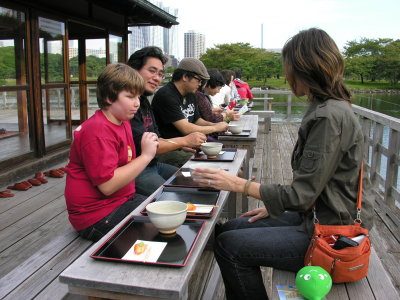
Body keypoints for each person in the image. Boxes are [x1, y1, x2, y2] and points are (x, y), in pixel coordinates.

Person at [192, 28, 374, 299]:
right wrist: (275, 207)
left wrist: (237, 184)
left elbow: (301, 195)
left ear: (305, 69)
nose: (287, 75)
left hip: (329, 233)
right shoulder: (331, 107)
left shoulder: (328, 117)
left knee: (229, 245)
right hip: (314, 215)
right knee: (231, 228)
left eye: (288, 67)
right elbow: (313, 184)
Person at [65, 63, 159, 242]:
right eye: (130, 96)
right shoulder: (98, 131)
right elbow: (107, 186)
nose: (137, 103)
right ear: (109, 97)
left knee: (169, 212)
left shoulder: (122, 122)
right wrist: (146, 156)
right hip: (96, 215)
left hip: (121, 201)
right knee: (159, 231)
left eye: (138, 96)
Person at [127, 47, 206, 196]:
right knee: (173, 197)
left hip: (154, 164)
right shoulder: (128, 106)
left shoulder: (143, 101)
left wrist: (182, 143)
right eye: (152, 71)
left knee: (198, 181)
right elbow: (147, 147)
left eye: (160, 74)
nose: (157, 78)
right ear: (133, 70)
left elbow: (156, 138)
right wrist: (184, 141)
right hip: (137, 170)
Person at [151, 58, 229, 167]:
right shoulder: (166, 95)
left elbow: (197, 120)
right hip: (170, 148)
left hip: (188, 145)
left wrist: (215, 124)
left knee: (223, 157)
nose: (201, 84)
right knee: (209, 165)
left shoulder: (191, 94)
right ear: (185, 77)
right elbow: (186, 128)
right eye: (199, 80)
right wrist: (215, 128)